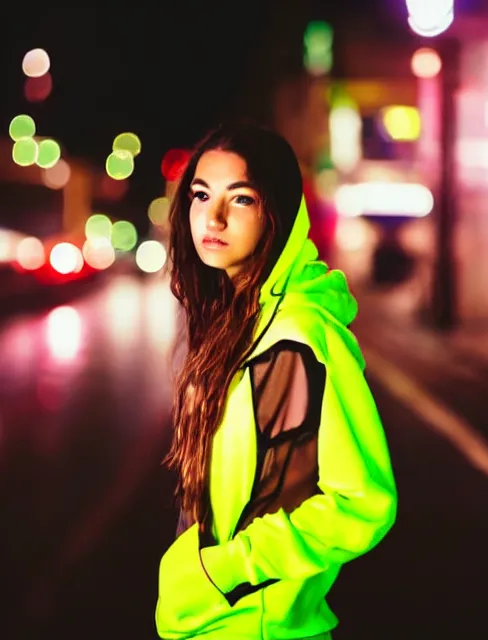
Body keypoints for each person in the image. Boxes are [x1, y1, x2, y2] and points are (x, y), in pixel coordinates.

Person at [156, 120, 397, 640]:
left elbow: (363, 502)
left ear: (276, 214)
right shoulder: (239, 321)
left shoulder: (298, 334)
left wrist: (228, 569)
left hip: (260, 626)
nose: (213, 216)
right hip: (216, 620)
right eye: (201, 194)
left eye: (240, 199)